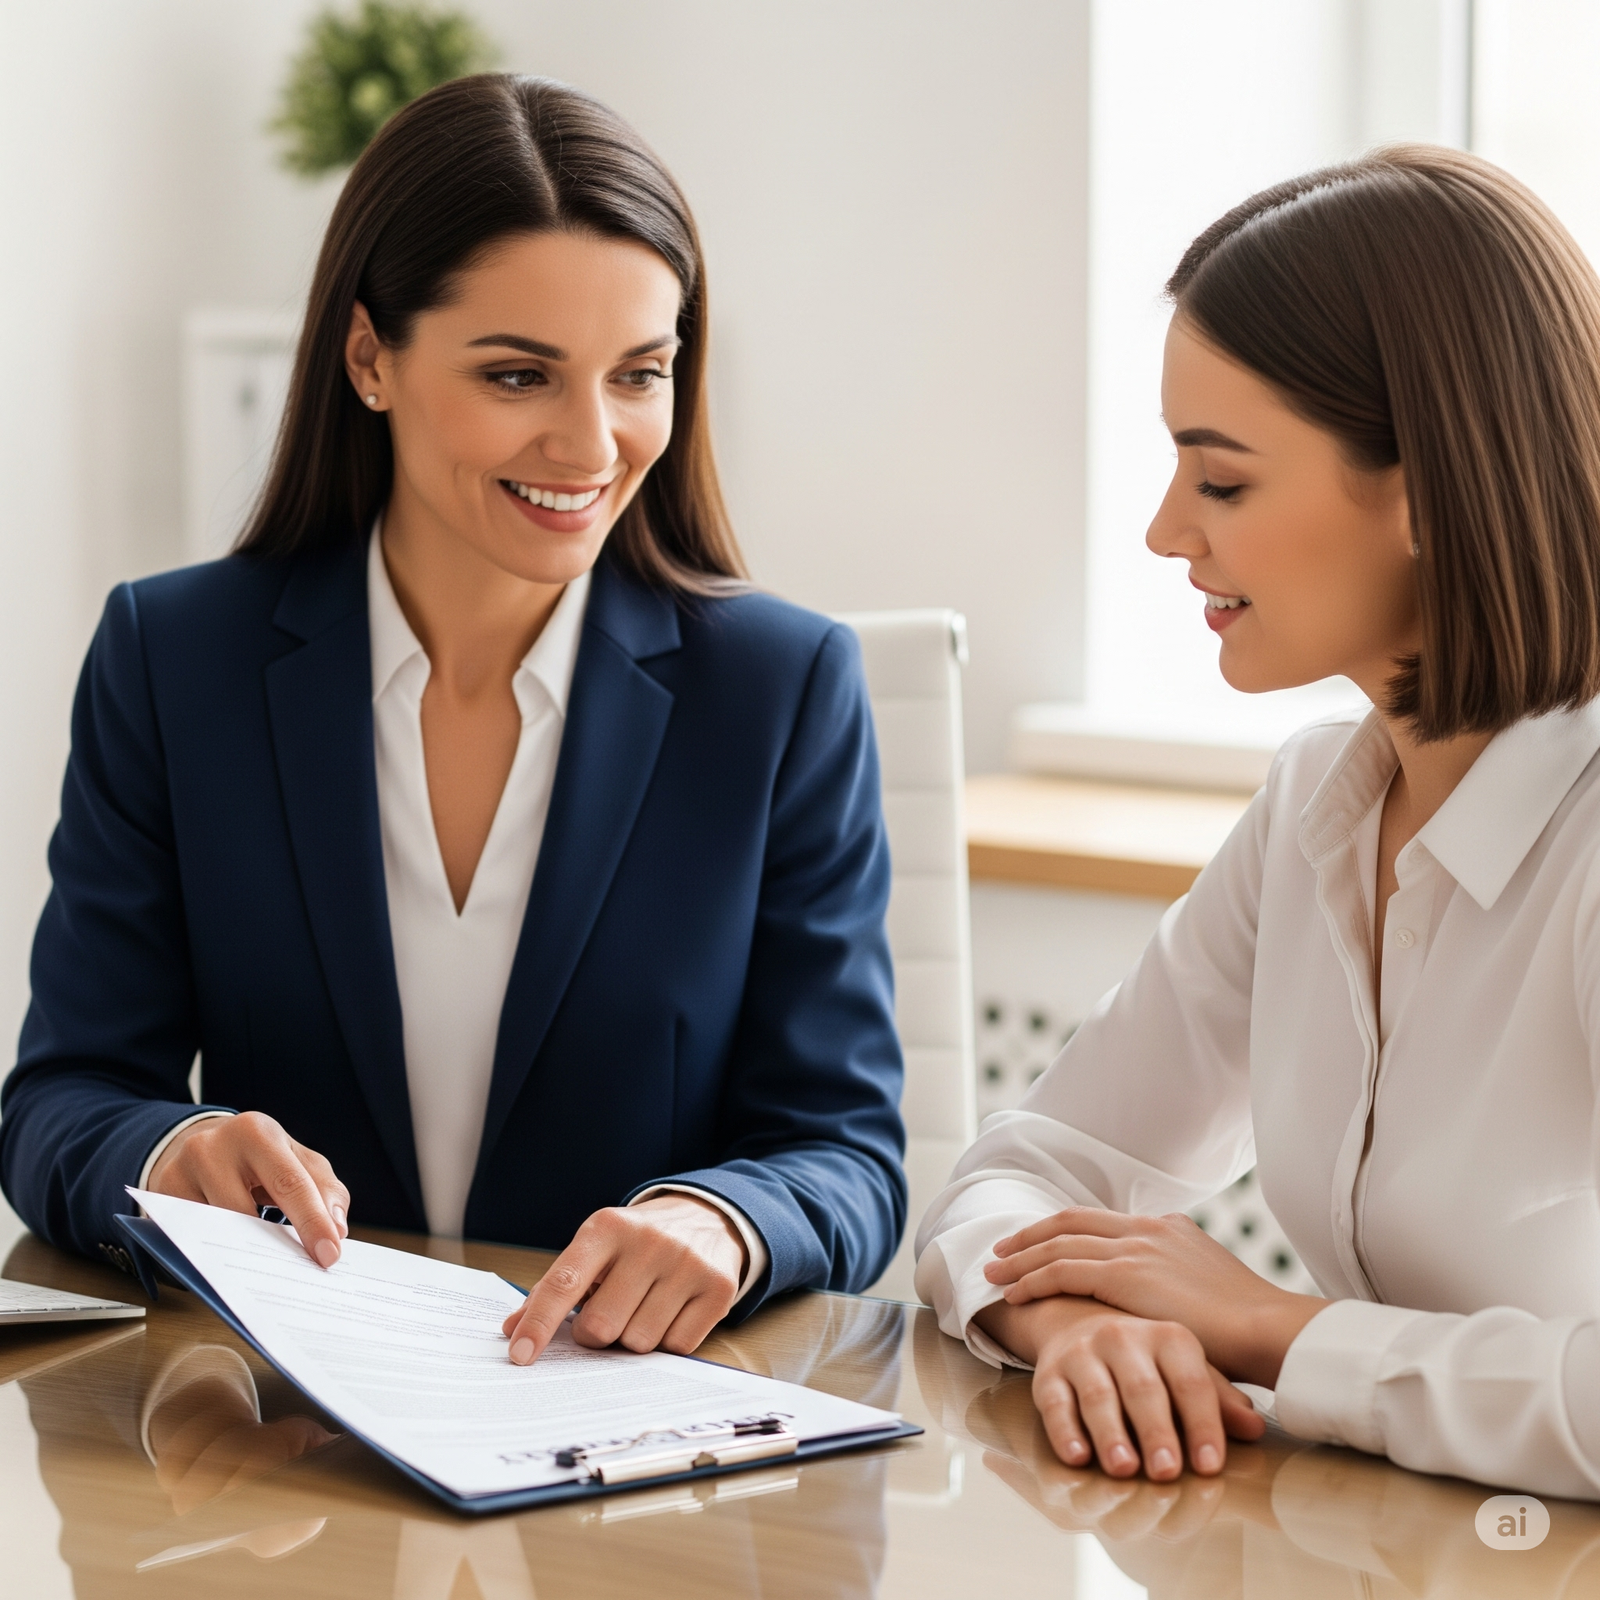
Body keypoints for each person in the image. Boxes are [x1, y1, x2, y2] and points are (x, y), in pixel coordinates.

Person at [0, 74, 905, 1365]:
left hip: (629, 1466)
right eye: (520, 374)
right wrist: (170, 1148)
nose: (592, 443)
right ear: (370, 356)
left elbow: (846, 1150)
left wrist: (726, 1217)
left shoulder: (781, 686)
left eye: (639, 373)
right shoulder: (174, 659)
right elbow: (60, 1099)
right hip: (284, 1455)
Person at [916, 145, 1600, 1498]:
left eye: (1221, 481)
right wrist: (1067, 1321)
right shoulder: (1314, 806)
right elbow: (1028, 1167)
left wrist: (1281, 1330)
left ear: (1422, 488)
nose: (1171, 532)